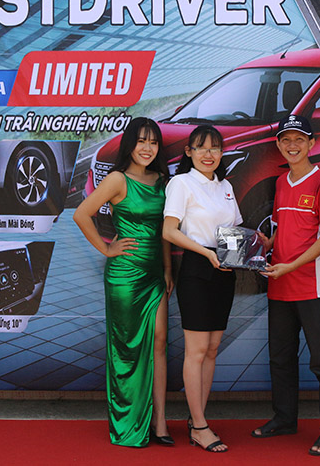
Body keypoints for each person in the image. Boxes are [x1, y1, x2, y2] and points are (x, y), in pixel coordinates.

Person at [73, 117, 174, 448]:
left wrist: (168, 270)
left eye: (153, 142)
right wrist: (106, 249)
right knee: (127, 349)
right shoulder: (117, 179)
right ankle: (129, 422)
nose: (147, 148)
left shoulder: (162, 181)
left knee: (159, 342)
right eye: (141, 141)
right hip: (125, 277)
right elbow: (81, 214)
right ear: (130, 144)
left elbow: (165, 231)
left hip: (155, 274)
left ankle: (160, 421)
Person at [252, 115, 320, 457]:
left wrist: (291, 265)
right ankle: (284, 419)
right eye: (286, 140)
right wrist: (266, 243)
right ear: (278, 144)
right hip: (279, 287)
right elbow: (281, 229)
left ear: (312, 144)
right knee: (280, 359)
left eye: (299, 139)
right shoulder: (280, 182)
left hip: (312, 289)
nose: (292, 145)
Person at [162, 125, 242, 453]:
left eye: (215, 148)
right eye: (201, 147)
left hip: (225, 270)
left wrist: (253, 247)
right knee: (196, 350)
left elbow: (235, 229)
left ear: (221, 153)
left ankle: (199, 418)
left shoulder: (225, 186)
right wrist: (206, 253)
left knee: (212, 349)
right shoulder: (181, 183)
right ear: (189, 152)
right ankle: (199, 426)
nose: (209, 154)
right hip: (197, 268)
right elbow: (169, 231)